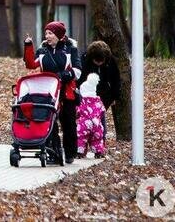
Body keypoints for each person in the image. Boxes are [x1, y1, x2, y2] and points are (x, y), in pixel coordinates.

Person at [23, 20, 81, 164]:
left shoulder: (70, 50)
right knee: (50, 124)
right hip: (48, 93)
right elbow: (30, 64)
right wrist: (28, 45)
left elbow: (78, 70)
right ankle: (54, 153)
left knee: (69, 124)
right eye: (46, 33)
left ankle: (70, 153)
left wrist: (63, 75)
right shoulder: (42, 51)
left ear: (59, 35)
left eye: (50, 33)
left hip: (67, 93)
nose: (47, 36)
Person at [79, 40, 120, 144]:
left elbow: (115, 79)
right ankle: (85, 141)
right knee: (85, 118)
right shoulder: (84, 60)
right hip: (86, 94)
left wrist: (115, 96)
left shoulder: (110, 62)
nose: (99, 63)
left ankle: (100, 141)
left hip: (103, 92)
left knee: (99, 117)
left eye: (101, 61)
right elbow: (80, 78)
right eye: (96, 61)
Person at [76, 73, 106, 157]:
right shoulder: (98, 101)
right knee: (97, 139)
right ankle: (98, 152)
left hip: (84, 124)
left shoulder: (83, 101)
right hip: (96, 124)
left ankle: (79, 152)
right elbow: (102, 110)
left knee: (81, 138)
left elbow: (78, 111)